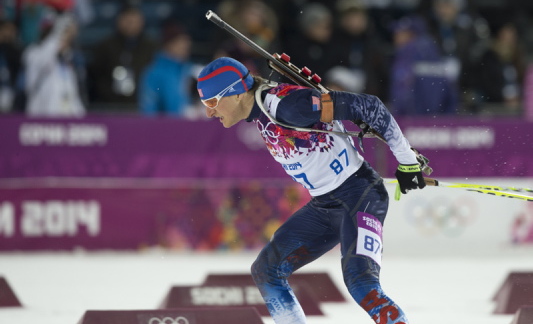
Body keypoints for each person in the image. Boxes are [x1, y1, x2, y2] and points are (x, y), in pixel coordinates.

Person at [196, 56, 426, 324]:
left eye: (211, 102)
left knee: (361, 284)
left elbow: (370, 106)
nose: (209, 112)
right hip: (326, 205)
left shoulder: (288, 106)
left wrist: (408, 161)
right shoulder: (261, 107)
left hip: (360, 195)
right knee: (266, 270)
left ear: (235, 93)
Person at [88, 4, 157, 111]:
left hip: (142, 106)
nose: (130, 24)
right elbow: (96, 77)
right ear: (119, 21)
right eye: (127, 20)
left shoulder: (152, 48)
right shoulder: (105, 46)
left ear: (141, 21)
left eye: (134, 20)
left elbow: (156, 79)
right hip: (109, 106)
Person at [22, 12, 87, 117]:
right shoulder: (33, 53)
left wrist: (82, 120)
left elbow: (72, 95)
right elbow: (44, 61)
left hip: (64, 120)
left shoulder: (66, 60)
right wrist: (57, 35)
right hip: (40, 117)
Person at [138, 22, 196, 118]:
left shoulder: (191, 70)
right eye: (180, 42)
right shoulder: (154, 72)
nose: (185, 46)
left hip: (191, 128)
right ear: (168, 44)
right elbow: (149, 108)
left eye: (186, 42)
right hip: (164, 128)